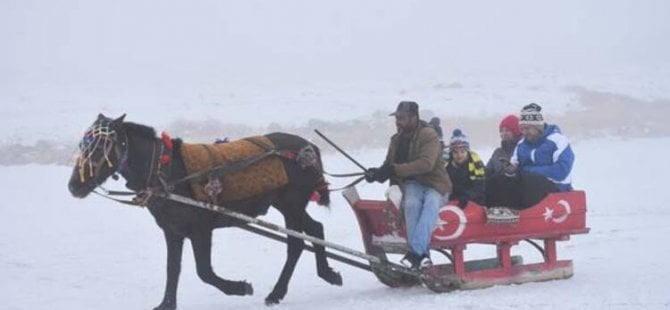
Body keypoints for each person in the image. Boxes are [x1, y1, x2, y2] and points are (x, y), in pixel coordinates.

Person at [365, 101, 452, 269]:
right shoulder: (396, 140)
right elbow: (389, 165)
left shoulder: (429, 135)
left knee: (431, 203)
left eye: (402, 118)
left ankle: (414, 252)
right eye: (397, 118)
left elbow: (426, 164)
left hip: (436, 184)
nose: (398, 122)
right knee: (411, 205)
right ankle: (423, 256)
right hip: (413, 184)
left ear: (414, 118)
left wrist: (394, 169)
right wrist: (375, 174)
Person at [486, 103, 575, 210]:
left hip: (555, 186)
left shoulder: (557, 140)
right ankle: (492, 210)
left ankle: (515, 211)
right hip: (529, 183)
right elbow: (516, 166)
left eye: (528, 128)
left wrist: (530, 171)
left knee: (528, 182)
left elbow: (562, 171)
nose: (525, 132)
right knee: (496, 181)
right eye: (522, 129)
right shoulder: (522, 145)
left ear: (538, 127)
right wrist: (511, 171)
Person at [446, 129, 486, 208]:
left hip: (473, 201)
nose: (459, 155)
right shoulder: (446, 166)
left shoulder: (476, 163)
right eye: (455, 152)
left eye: (462, 151)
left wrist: (467, 197)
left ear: (467, 151)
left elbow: (480, 186)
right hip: (452, 201)